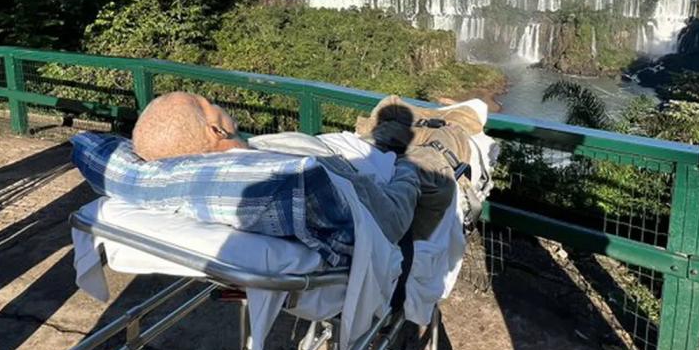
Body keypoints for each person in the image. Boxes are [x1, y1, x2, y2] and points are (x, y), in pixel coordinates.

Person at [130, 91, 466, 241]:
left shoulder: (228, 168)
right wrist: (406, 166)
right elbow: (390, 219)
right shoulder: (299, 178)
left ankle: (427, 117)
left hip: (355, 149)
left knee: (391, 110)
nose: (215, 101)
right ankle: (445, 120)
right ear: (217, 130)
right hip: (387, 169)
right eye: (210, 104)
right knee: (454, 132)